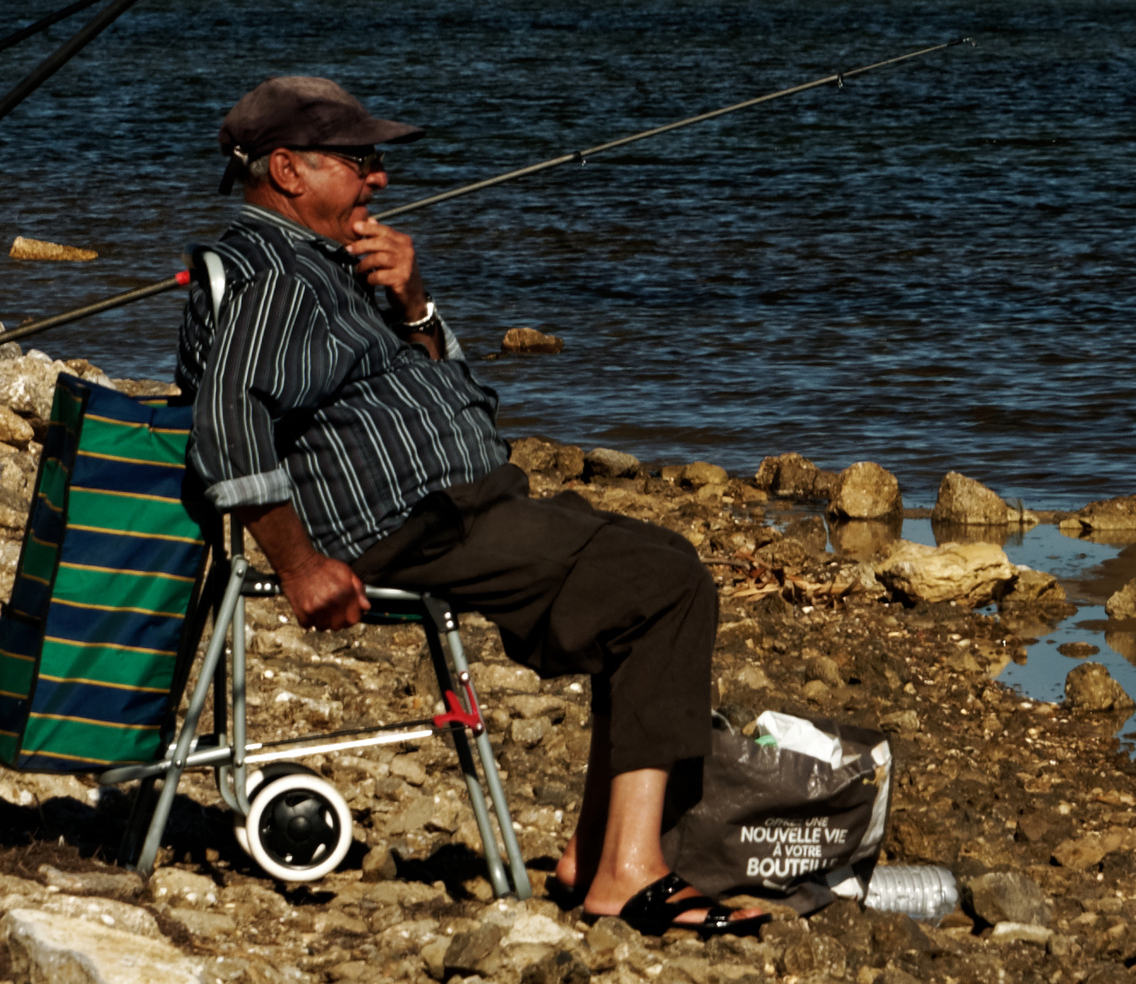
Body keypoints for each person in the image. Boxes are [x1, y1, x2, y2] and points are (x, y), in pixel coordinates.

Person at [175, 76, 761, 936]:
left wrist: (414, 305)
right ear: (290, 171)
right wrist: (298, 564)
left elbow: (443, 391)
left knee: (647, 565)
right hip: (405, 526)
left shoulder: (325, 264)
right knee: (660, 580)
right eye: (360, 161)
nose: (378, 180)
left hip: (458, 506)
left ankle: (593, 855)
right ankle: (625, 875)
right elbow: (226, 414)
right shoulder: (272, 275)